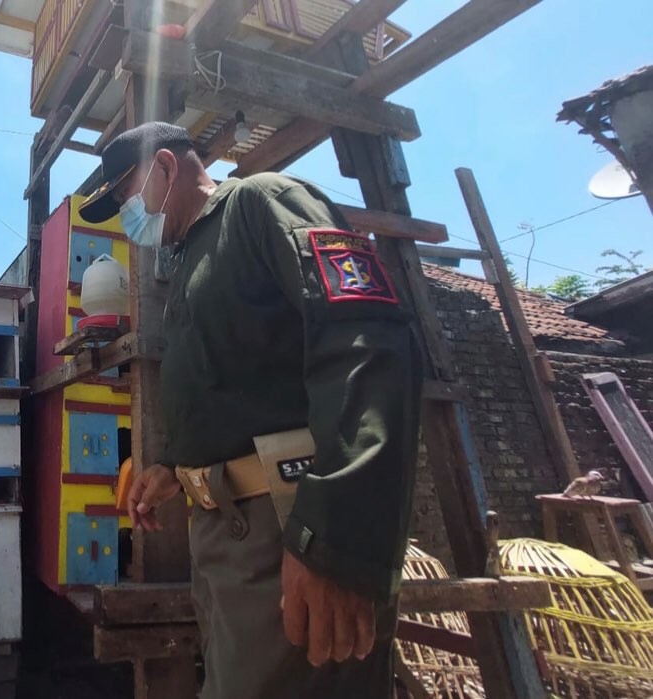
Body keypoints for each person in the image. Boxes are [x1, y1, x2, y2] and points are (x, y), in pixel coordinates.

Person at [78, 122, 422, 698]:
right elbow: (242, 390)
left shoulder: (262, 202)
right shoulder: (191, 259)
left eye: (126, 197)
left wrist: (332, 542)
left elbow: (364, 343)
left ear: (165, 168)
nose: (126, 218)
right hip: (223, 541)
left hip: (286, 532)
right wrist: (172, 466)